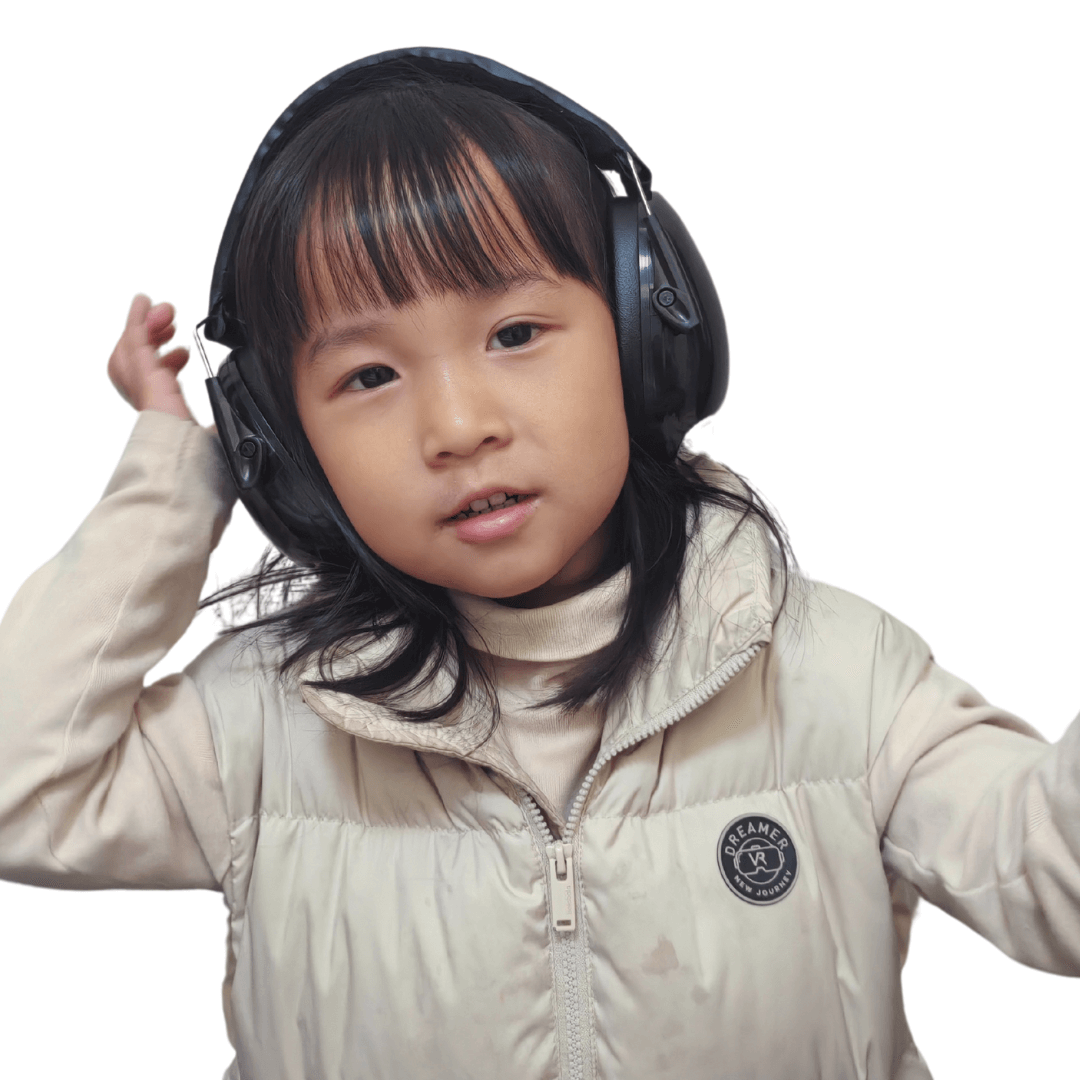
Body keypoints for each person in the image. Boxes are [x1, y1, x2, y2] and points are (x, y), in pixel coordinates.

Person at [1, 48, 1077, 1080]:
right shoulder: (261, 727)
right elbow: (20, 790)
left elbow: (1060, 886)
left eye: (514, 333)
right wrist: (172, 482)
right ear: (283, 453)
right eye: (370, 376)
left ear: (647, 338)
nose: (459, 426)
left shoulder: (844, 678)